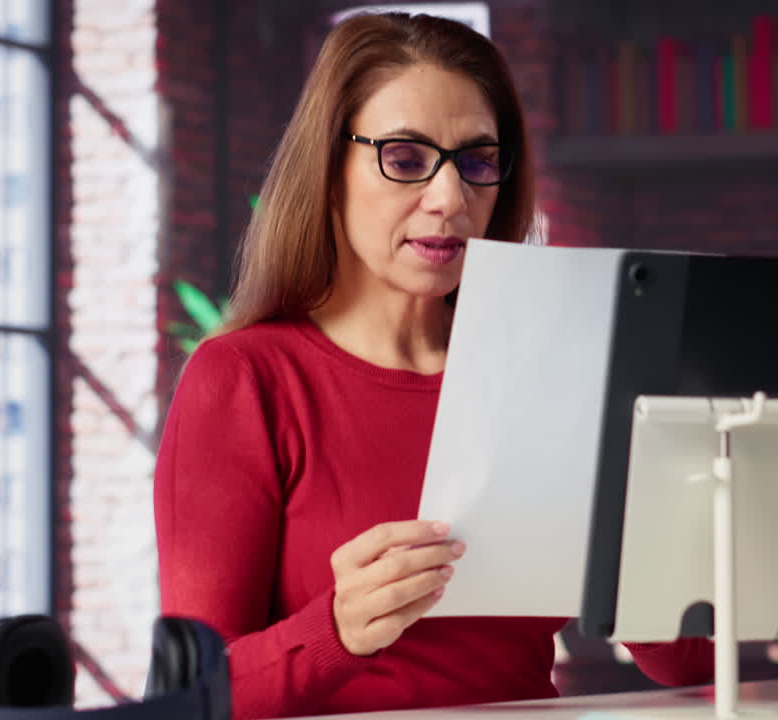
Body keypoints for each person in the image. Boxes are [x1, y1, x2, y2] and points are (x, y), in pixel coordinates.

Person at [153, 12, 713, 720]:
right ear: (329, 174)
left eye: (478, 162)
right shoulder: (243, 379)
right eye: (407, 158)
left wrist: (628, 554)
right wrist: (335, 632)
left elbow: (688, 662)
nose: (451, 199)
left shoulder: (541, 375)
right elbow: (187, 699)